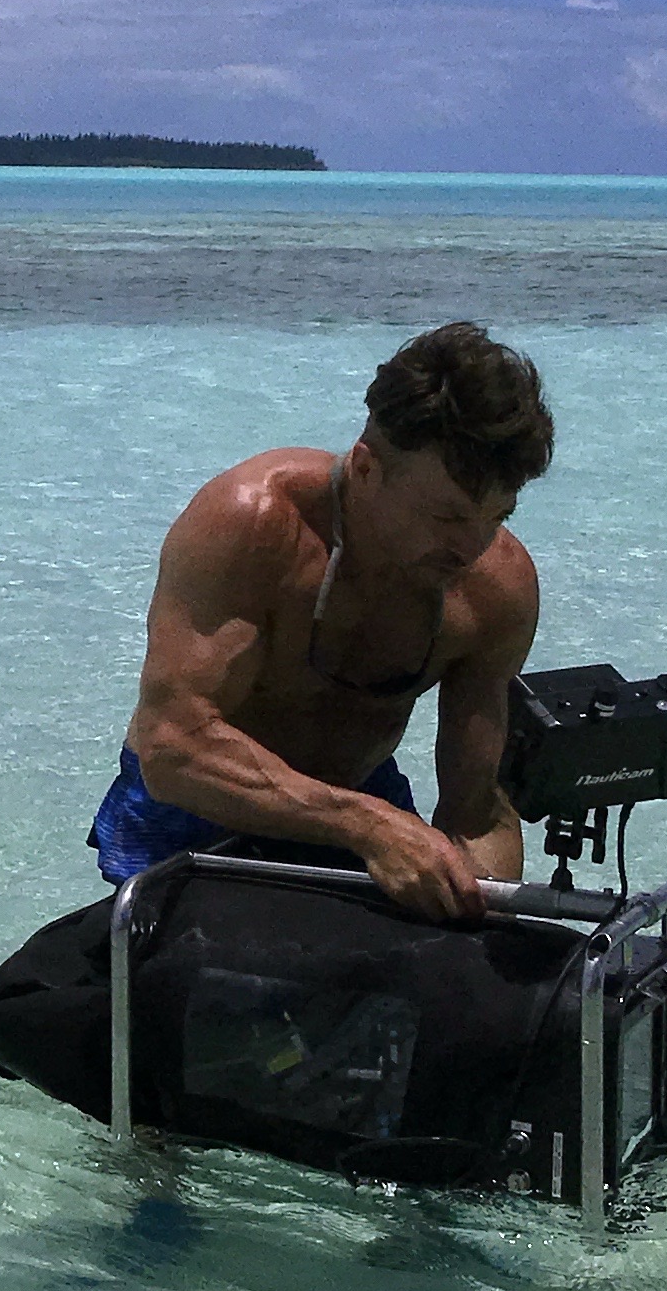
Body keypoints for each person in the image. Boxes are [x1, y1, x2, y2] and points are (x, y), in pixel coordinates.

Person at [92, 322, 550, 921]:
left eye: (497, 516)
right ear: (365, 470)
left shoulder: (499, 587)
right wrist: (365, 825)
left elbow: (475, 809)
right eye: (446, 516)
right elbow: (172, 748)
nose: (472, 546)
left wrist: (482, 911)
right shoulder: (254, 524)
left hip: (363, 801)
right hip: (203, 801)